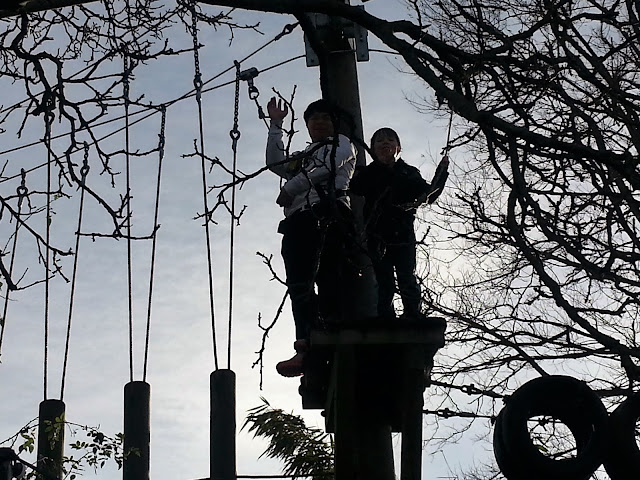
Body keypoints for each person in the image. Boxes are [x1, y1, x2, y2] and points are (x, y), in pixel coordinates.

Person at [266, 97, 357, 377]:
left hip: (328, 213)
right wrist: (276, 125)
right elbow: (275, 163)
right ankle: (305, 344)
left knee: (329, 275)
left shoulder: (341, 144)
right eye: (313, 119)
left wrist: (291, 188)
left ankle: (332, 332)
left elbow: (327, 169)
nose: (318, 123)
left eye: (324, 118)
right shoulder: (305, 156)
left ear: (334, 123)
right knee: (299, 285)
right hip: (297, 220)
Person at [350, 127, 448, 320]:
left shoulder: (408, 173)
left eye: (389, 140)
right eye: (379, 141)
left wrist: (442, 171)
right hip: (377, 234)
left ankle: (412, 314)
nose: (385, 143)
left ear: (398, 147)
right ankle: (385, 316)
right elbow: (356, 187)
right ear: (372, 149)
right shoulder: (368, 173)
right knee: (383, 278)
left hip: (403, 232)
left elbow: (429, 194)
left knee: (406, 276)